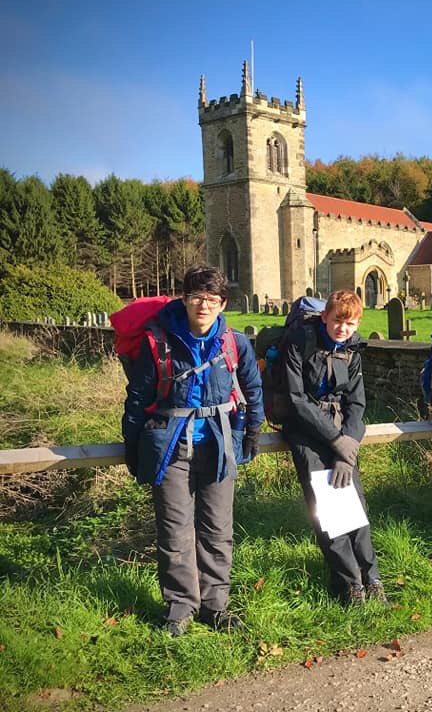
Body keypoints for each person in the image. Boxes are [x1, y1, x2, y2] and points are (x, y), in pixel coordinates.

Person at [122, 265, 263, 637]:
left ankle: (215, 605)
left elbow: (252, 390)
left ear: (222, 303)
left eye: (212, 299)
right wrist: (133, 452)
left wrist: (252, 433)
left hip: (218, 446)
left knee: (218, 529)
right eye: (196, 296)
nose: (203, 305)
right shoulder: (158, 342)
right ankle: (181, 606)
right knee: (174, 531)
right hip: (168, 447)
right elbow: (137, 400)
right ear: (184, 298)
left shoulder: (235, 343)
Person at [278, 290, 388, 605]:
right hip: (306, 433)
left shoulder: (353, 350)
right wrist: (335, 441)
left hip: (342, 434)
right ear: (325, 316)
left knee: (354, 505)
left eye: (351, 323)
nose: (343, 328)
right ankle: (349, 584)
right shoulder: (299, 343)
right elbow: (296, 400)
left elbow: (357, 403)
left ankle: (372, 577)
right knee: (328, 510)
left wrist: (347, 447)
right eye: (338, 320)